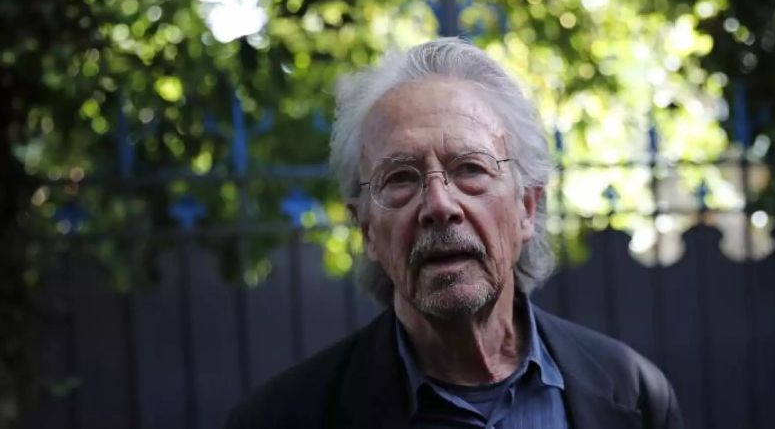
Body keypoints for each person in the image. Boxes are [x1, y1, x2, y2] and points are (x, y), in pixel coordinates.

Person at [226, 38, 683, 429]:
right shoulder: (281, 418)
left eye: (470, 169)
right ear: (366, 228)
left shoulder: (635, 395)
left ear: (528, 207)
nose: (440, 205)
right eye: (401, 178)